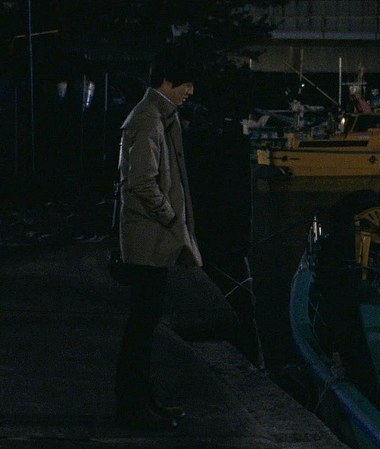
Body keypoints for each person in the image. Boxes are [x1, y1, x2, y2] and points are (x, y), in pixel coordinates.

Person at [114, 45, 202, 430]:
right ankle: (134, 406)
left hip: (153, 239)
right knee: (141, 327)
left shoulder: (158, 116)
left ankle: (143, 401)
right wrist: (171, 218)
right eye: (186, 84)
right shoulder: (149, 118)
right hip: (148, 240)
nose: (190, 91)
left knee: (144, 326)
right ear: (167, 81)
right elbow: (142, 182)